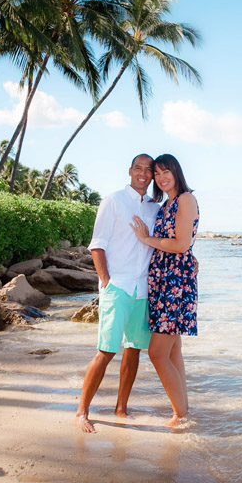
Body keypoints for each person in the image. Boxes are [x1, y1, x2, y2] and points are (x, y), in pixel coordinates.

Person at [75, 154, 161, 433]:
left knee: (134, 349)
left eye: (149, 170)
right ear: (130, 171)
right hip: (118, 287)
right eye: (139, 168)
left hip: (143, 290)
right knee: (106, 351)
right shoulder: (113, 200)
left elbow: (161, 242)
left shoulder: (154, 207)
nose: (143, 174)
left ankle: (121, 408)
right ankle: (82, 411)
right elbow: (97, 245)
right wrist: (106, 282)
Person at [131, 153, 199, 429]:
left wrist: (146, 239)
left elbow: (182, 244)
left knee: (157, 352)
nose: (161, 177)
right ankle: (182, 411)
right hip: (162, 277)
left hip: (174, 280)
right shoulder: (167, 203)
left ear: (176, 172)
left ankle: (180, 415)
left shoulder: (185, 199)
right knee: (172, 350)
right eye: (157, 174)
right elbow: (182, 245)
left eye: (165, 171)